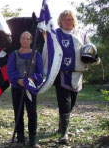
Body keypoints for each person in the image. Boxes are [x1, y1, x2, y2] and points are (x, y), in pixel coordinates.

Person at [45, 10, 100, 144]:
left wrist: (94, 59)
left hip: (77, 73)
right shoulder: (55, 34)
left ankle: (61, 124)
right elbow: (47, 51)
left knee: (72, 103)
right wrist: (46, 70)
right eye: (65, 20)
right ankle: (64, 134)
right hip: (61, 73)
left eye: (70, 19)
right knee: (65, 102)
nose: (68, 22)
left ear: (74, 21)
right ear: (61, 21)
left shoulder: (81, 34)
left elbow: (89, 49)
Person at [7, 31, 43, 148]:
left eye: (28, 39)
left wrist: (31, 79)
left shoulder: (36, 54)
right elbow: (10, 71)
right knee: (18, 113)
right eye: (23, 38)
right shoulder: (14, 54)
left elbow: (40, 72)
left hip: (31, 89)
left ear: (31, 41)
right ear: (20, 40)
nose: (25, 41)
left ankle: (33, 140)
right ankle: (20, 139)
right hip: (17, 88)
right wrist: (19, 80)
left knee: (32, 114)